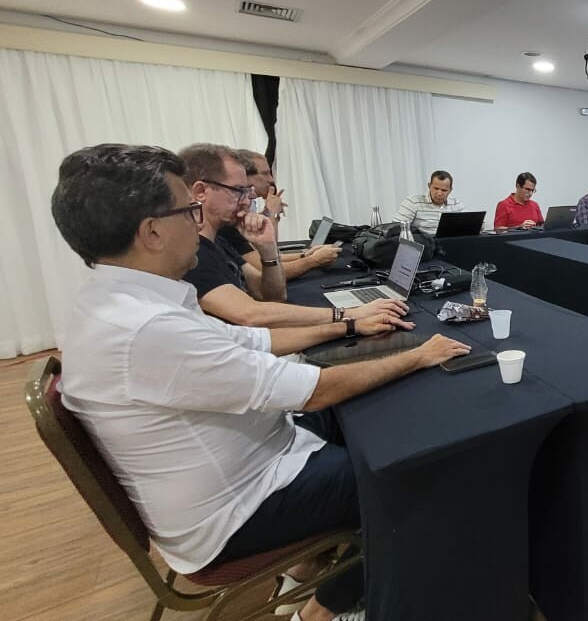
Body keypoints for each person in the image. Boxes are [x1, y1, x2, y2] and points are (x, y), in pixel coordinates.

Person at [51, 144, 473, 621]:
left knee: (354, 418)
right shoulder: (148, 329)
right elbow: (312, 386)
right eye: (187, 210)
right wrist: (419, 355)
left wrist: (347, 325)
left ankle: (312, 565)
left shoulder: (122, 300)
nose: (196, 221)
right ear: (151, 232)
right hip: (239, 507)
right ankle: (325, 609)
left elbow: (250, 340)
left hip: (235, 471)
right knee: (410, 474)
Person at [178, 144, 405, 328]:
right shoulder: (192, 253)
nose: (247, 200)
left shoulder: (218, 241)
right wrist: (348, 315)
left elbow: (273, 295)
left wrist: (268, 249)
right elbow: (250, 314)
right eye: (239, 191)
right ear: (200, 191)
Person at [219, 150, 340, 280]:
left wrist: (306, 255)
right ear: (244, 176)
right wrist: (313, 261)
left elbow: (268, 257)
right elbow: (268, 269)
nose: (271, 179)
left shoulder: (246, 210)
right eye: (265, 173)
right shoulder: (227, 222)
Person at [394, 170, 463, 236]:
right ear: (429, 186)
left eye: (444, 190)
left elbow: (467, 229)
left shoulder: (456, 205)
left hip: (449, 243)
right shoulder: (412, 202)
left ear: (450, 190)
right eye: (436, 188)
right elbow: (395, 229)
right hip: (423, 243)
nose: (439, 193)